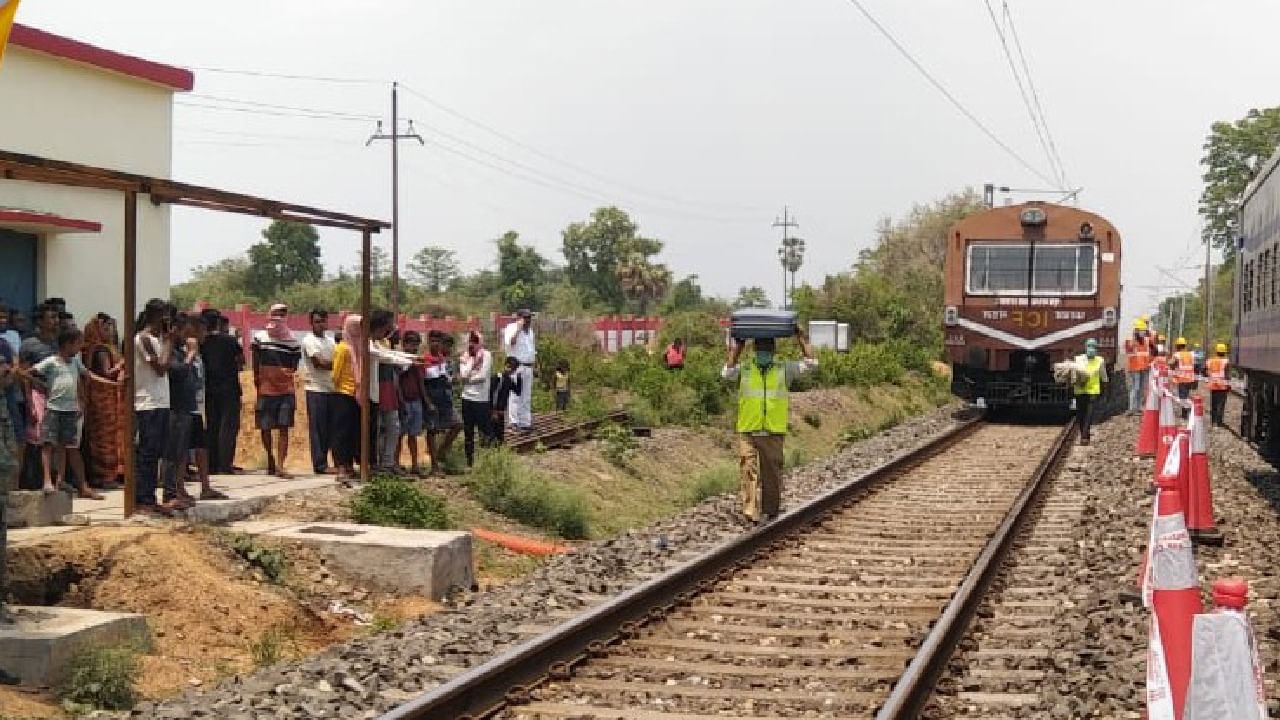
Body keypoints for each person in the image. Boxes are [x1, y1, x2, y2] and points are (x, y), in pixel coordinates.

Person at [723, 329, 817, 523]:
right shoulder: (746, 369)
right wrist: (738, 347)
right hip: (748, 429)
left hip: (773, 431)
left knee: (771, 474)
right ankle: (750, 510)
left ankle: (770, 509)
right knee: (747, 468)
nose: (763, 353)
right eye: (760, 349)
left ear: (773, 351)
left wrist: (802, 339)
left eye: (766, 349)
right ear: (755, 350)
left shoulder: (784, 369)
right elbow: (727, 372)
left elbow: (811, 364)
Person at [31, 328, 101, 499]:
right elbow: (29, 373)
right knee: (48, 445)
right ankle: (47, 480)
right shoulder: (51, 362)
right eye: (78, 343)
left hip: (70, 410)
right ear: (68, 344)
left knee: (64, 446)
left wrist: (112, 383)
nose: (79, 347)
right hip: (54, 409)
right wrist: (43, 387)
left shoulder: (75, 362)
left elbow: (88, 375)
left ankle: (60, 480)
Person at [251, 304, 302, 478]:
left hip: (286, 390)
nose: (278, 317)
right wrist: (257, 378)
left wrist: (286, 373)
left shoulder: (293, 340)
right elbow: (255, 360)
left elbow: (295, 363)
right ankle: (271, 460)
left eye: (282, 314)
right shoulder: (260, 338)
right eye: (276, 314)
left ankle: (280, 465)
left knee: (284, 427)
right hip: (265, 389)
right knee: (265, 428)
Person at [134, 300, 174, 515]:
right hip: (146, 403)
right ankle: (143, 499)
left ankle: (150, 497)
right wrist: (168, 342)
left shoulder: (158, 340)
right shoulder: (143, 339)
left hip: (161, 401)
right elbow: (161, 368)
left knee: (157, 452)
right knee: (147, 453)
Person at [161, 315, 202, 510]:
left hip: (186, 405)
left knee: (181, 452)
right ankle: (169, 492)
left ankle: (178, 489)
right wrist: (191, 354)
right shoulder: (170, 352)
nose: (187, 336)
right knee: (172, 452)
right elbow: (178, 372)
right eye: (184, 331)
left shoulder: (178, 350)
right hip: (175, 406)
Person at [81, 314, 125, 489]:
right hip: (103, 400)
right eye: (106, 329)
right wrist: (122, 364)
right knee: (104, 439)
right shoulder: (100, 350)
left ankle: (112, 474)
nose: (110, 332)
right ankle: (104, 477)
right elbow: (107, 373)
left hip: (107, 398)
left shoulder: (104, 347)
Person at [201, 310, 243, 476]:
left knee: (212, 426)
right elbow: (241, 360)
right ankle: (225, 464)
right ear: (218, 322)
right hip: (229, 388)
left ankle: (212, 465)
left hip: (210, 389)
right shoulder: (229, 341)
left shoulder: (202, 342)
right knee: (228, 426)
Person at [301, 309, 336, 475]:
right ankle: (320, 464)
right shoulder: (309, 341)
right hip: (315, 388)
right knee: (318, 429)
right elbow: (319, 363)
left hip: (331, 388)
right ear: (311, 323)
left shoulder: (330, 342)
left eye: (323, 321)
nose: (320, 324)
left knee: (329, 429)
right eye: (317, 321)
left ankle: (327, 462)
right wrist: (339, 364)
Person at [329, 315, 362, 481]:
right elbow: (335, 373)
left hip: (356, 394)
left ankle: (349, 465)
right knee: (341, 432)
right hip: (343, 393)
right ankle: (341, 466)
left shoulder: (359, 347)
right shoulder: (342, 348)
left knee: (352, 432)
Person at [423, 331, 460, 476]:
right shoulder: (425, 360)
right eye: (432, 341)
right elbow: (422, 384)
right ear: (428, 342)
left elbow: (446, 380)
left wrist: (452, 381)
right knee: (432, 431)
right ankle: (434, 465)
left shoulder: (442, 359)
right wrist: (428, 402)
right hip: (432, 399)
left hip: (445, 399)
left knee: (457, 424)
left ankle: (441, 452)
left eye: (438, 341)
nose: (435, 344)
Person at [458, 330, 492, 467]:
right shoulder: (464, 357)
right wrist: (471, 364)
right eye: (470, 342)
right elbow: (463, 374)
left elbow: (482, 376)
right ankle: (469, 462)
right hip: (467, 398)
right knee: (468, 431)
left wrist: (467, 379)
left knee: (484, 432)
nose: (472, 344)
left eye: (475, 341)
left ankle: (486, 462)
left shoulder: (487, 355)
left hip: (481, 400)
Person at [397, 331, 427, 475]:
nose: (413, 348)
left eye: (416, 345)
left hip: (416, 401)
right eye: (411, 344)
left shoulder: (417, 361)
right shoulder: (399, 360)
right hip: (404, 401)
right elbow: (397, 381)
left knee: (413, 435)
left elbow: (421, 382)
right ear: (404, 345)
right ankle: (396, 464)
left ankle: (415, 465)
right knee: (400, 435)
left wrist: (425, 401)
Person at [503, 309, 536, 432]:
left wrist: (535, 365)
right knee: (515, 395)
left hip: (528, 366)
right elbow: (510, 343)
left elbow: (532, 349)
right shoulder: (511, 328)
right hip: (516, 366)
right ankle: (513, 422)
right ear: (519, 318)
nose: (528, 320)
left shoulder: (531, 332)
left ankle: (525, 422)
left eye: (529, 318)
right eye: (526, 318)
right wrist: (518, 329)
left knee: (526, 396)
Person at [1072, 338, 1109, 446]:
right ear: (1085, 348)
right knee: (1080, 414)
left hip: (1093, 391)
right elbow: (1074, 375)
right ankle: (1084, 434)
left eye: (1093, 347)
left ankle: (1084, 436)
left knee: (1089, 414)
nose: (1091, 349)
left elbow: (1104, 377)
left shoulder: (1100, 360)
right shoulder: (1078, 359)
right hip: (1080, 390)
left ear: (1096, 349)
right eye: (1089, 347)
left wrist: (1105, 391)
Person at [489, 356, 522, 447]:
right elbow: (492, 395)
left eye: (514, 369)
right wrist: (493, 411)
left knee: (500, 437)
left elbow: (518, 392)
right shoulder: (497, 378)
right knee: (491, 435)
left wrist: (519, 379)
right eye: (511, 368)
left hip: (501, 413)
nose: (512, 371)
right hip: (493, 412)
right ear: (506, 366)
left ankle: (498, 453)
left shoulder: (508, 380)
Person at [1124, 319, 1151, 415]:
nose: (1143, 332)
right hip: (1134, 368)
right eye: (1141, 330)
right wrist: (1133, 340)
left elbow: (1149, 353)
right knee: (1135, 388)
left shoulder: (1146, 340)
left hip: (1144, 368)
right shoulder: (1130, 341)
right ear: (1136, 330)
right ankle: (1132, 408)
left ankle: (1138, 407)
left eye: (1144, 330)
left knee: (1140, 388)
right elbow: (1128, 350)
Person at [1207, 343, 1231, 426]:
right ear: (1224, 352)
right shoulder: (1226, 361)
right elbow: (1227, 375)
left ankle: (1213, 421)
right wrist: (1229, 385)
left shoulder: (1210, 360)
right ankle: (1219, 421)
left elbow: (1204, 371)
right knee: (1221, 404)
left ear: (1216, 351)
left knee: (1213, 403)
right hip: (1222, 386)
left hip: (1213, 385)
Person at [1170, 337, 1196, 403]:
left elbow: (1171, 364)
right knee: (1186, 397)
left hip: (1182, 379)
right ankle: (1185, 412)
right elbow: (1194, 365)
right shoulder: (1191, 354)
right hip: (1190, 379)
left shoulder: (1177, 355)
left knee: (1182, 399)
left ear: (1178, 346)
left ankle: (1185, 412)